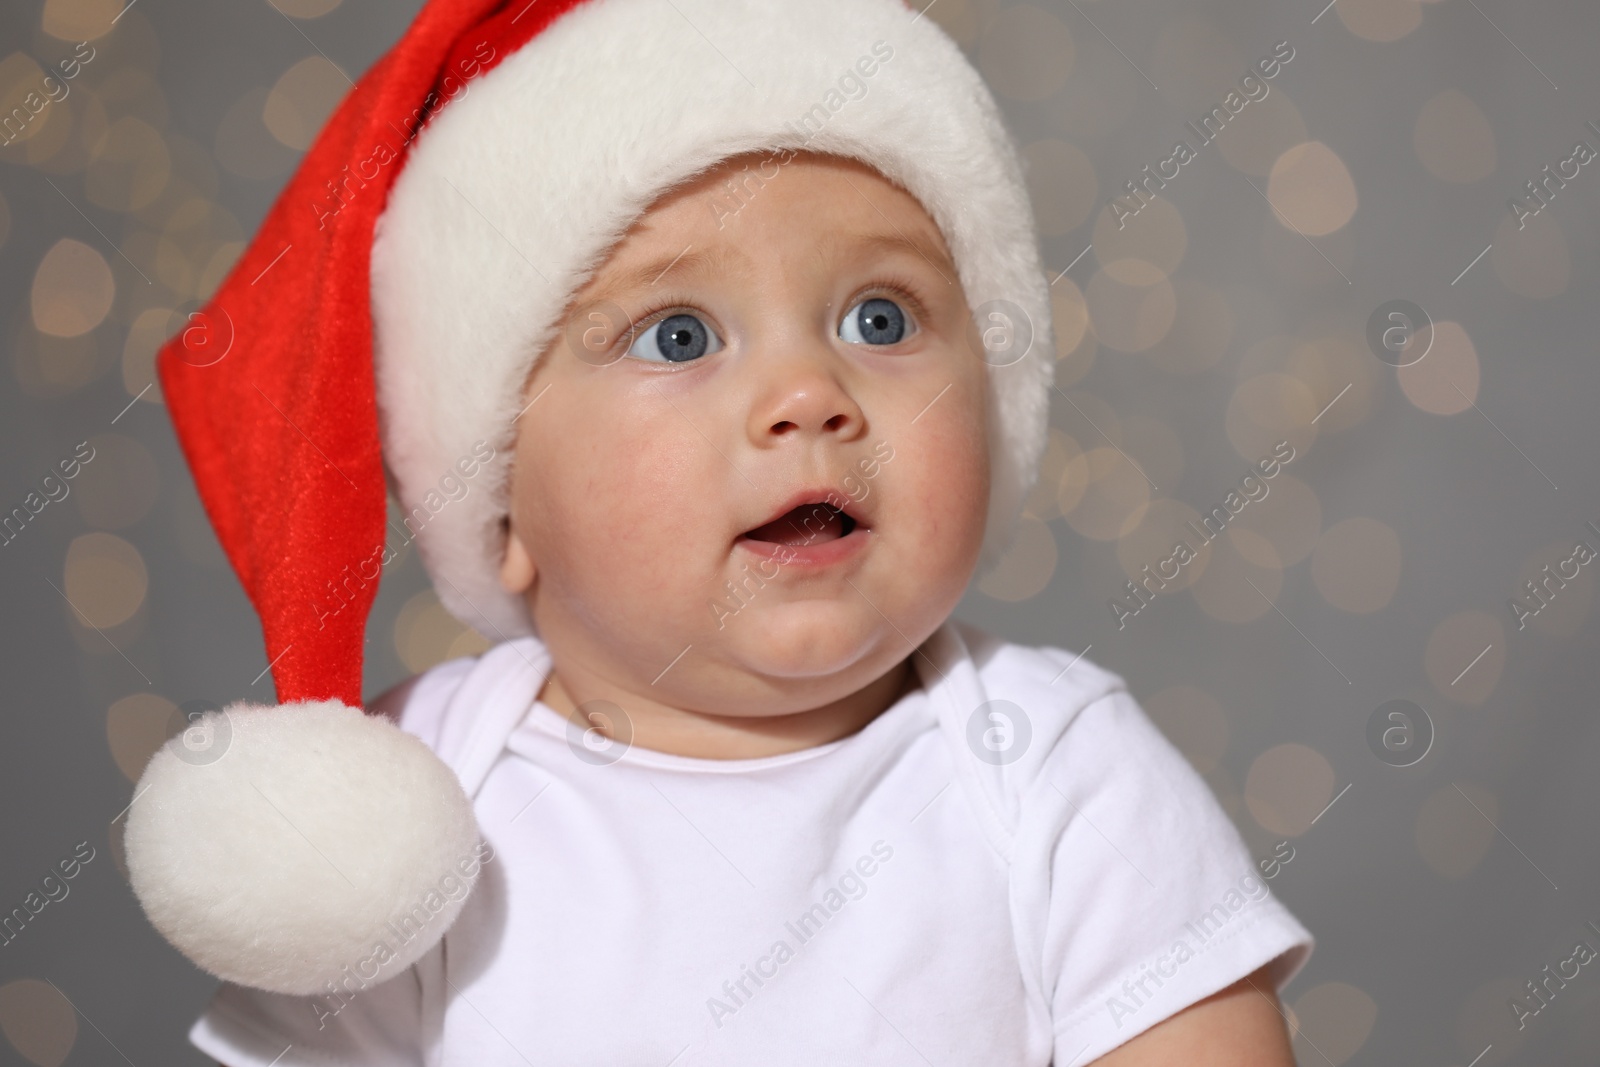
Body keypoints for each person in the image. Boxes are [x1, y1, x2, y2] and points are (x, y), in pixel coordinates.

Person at [125, 0, 1313, 1063]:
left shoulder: (1056, 768)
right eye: (678, 335)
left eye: (880, 314)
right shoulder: (420, 805)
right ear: (501, 502)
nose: (809, 390)